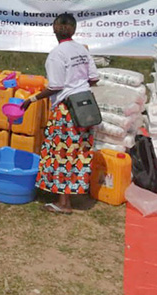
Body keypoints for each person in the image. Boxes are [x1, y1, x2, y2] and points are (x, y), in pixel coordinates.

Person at [21, 13, 99, 214]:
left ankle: (63, 203)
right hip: (86, 106)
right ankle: (74, 192)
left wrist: (31, 100)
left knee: (61, 152)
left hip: (66, 110)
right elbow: (94, 78)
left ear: (54, 29)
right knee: (79, 151)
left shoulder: (57, 54)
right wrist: (78, 84)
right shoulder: (82, 50)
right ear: (73, 30)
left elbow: (55, 86)